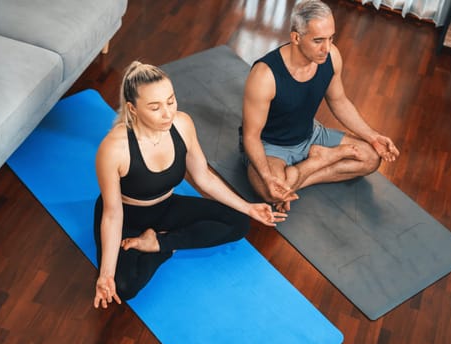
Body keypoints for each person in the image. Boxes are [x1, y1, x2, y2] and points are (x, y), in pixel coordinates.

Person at [93, 62, 286, 309]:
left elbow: (203, 176)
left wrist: (248, 207)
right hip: (128, 216)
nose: (167, 113)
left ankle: (160, 244)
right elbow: (112, 214)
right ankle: (161, 245)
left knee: (239, 223)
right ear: (133, 109)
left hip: (167, 205)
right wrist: (106, 274)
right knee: (123, 288)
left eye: (171, 101)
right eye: (155, 107)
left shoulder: (182, 124)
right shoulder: (113, 148)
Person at [240, 0, 399, 212]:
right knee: (269, 192)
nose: (327, 48)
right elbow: (251, 137)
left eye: (331, 38)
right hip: (271, 146)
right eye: (318, 41)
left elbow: (339, 101)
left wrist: (373, 137)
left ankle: (303, 173)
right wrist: (269, 178)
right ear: (296, 37)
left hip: (311, 136)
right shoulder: (264, 75)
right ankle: (317, 163)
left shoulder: (331, 56)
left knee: (371, 158)